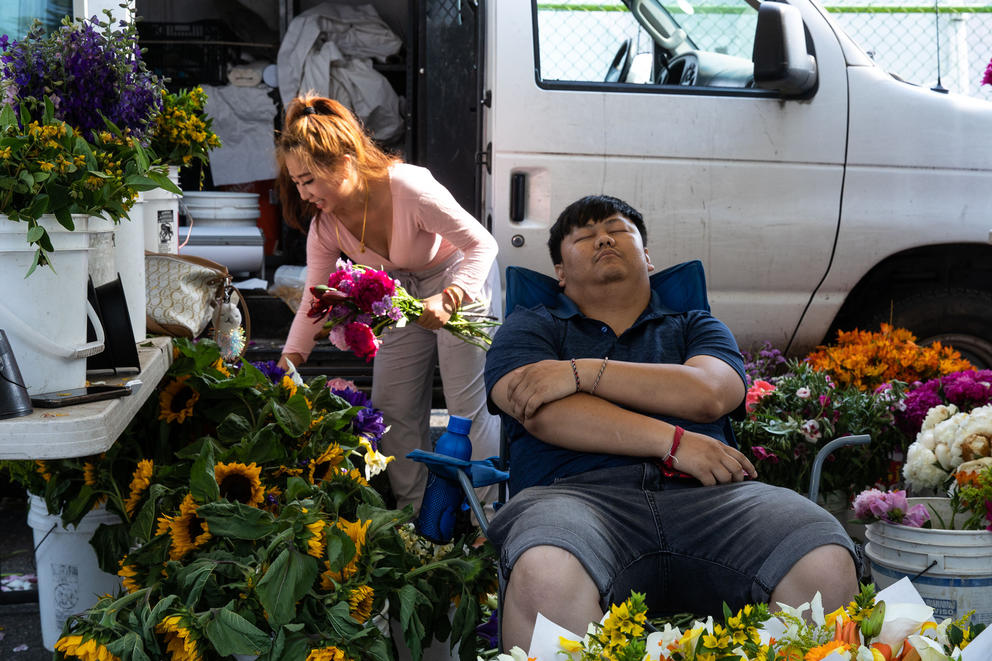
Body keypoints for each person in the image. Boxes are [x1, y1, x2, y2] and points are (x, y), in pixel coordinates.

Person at [484, 195, 859, 650]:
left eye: (618, 230)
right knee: (546, 572)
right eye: (584, 236)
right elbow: (542, 412)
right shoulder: (530, 327)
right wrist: (675, 442)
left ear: (647, 255)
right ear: (559, 273)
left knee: (823, 558)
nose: (603, 237)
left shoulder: (695, 325)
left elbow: (711, 393)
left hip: (714, 500)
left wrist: (577, 372)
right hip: (574, 498)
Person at [276, 94, 501, 513]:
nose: (303, 193)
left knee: (465, 407)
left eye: (307, 180)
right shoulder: (325, 225)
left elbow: (482, 244)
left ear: (343, 162)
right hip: (397, 296)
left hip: (460, 276)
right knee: (392, 408)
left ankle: (488, 518)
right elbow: (315, 294)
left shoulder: (408, 188)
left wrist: (451, 297)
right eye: (297, 182)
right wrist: (290, 360)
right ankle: (416, 518)